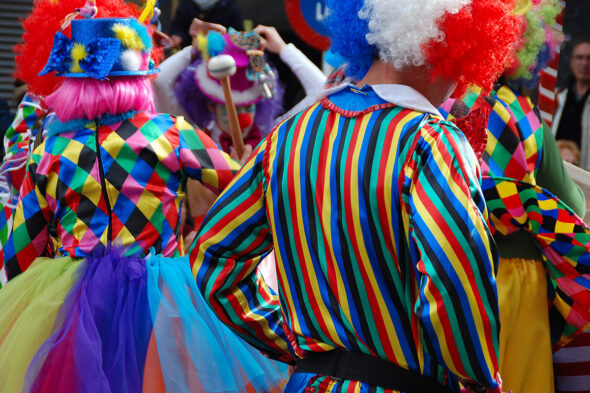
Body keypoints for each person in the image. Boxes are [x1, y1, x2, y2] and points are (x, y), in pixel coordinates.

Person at [191, 0, 521, 392]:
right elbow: (452, 280)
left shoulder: (289, 135)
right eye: (460, 65)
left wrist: (299, 344)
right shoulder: (430, 141)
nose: (459, 85)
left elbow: (215, 258)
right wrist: (478, 378)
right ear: (438, 47)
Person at [0, 15, 287, 392]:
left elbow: (19, 254)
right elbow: (246, 193)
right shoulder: (169, 133)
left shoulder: (50, 152)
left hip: (74, 309)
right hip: (165, 302)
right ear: (139, 76)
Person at [0, 0, 145, 287]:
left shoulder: (140, 119)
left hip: (134, 260)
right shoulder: (38, 107)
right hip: (56, 259)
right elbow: (15, 178)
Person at [553, 37, 590, 168]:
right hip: (556, 167)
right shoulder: (558, 95)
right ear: (572, 62)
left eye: (588, 58)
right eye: (579, 57)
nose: (584, 63)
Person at [168, 0, 243, 49]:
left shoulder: (230, 6)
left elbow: (237, 36)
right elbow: (178, 30)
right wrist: (176, 39)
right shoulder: (186, 4)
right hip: (191, 55)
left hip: (220, 57)